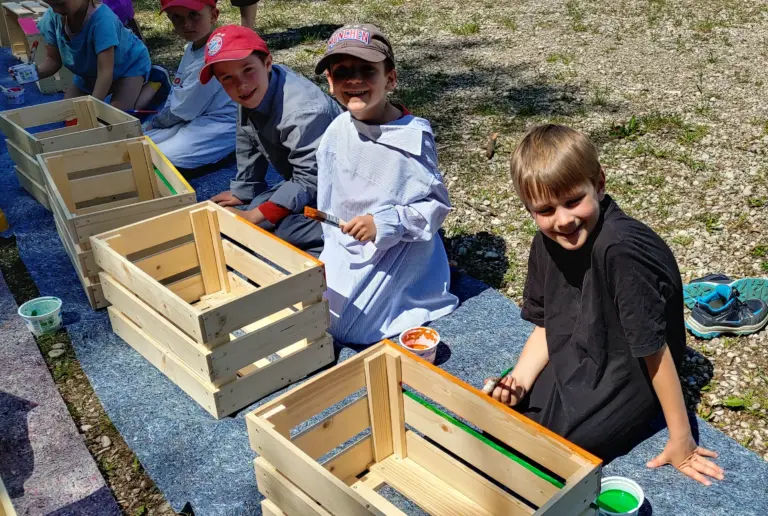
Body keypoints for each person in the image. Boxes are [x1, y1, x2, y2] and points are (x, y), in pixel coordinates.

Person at [490, 124, 724, 484]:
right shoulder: (545, 242)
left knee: (565, 448)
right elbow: (547, 324)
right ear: (529, 209)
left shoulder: (620, 251)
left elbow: (654, 351)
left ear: (599, 184)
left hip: (632, 364)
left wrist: (682, 439)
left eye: (572, 201)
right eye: (545, 210)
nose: (563, 220)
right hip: (582, 340)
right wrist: (519, 379)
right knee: (512, 412)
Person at [312, 24, 458, 344]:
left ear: (390, 78)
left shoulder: (411, 139)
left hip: (396, 248)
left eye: (367, 70)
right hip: (346, 244)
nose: (354, 80)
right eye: (342, 72)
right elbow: (328, 198)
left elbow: (434, 206)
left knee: (351, 328)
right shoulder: (337, 130)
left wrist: (384, 223)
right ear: (330, 81)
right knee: (313, 309)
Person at [200, 25, 342, 256]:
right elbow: (248, 135)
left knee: (288, 229)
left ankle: (341, 243)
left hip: (341, 195)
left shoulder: (304, 112)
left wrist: (255, 216)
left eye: (248, 70)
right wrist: (244, 189)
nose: (241, 84)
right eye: (227, 78)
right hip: (310, 184)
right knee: (258, 208)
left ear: (267, 63)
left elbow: (311, 179)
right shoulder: (257, 87)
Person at [143, 0, 237, 170]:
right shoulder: (193, 47)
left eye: (194, 15)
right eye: (177, 17)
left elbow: (184, 109)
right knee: (141, 144)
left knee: (159, 158)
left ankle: (232, 150)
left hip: (221, 122)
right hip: (192, 115)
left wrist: (156, 122)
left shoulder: (214, 54)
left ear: (213, 16)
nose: (186, 24)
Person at [34, 0, 162, 110]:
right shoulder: (52, 18)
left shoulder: (103, 20)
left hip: (128, 66)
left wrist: (94, 108)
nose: (56, 10)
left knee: (116, 118)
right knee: (68, 113)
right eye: (50, 4)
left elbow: (105, 73)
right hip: (90, 72)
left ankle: (153, 86)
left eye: (61, 4)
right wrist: (30, 74)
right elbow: (53, 61)